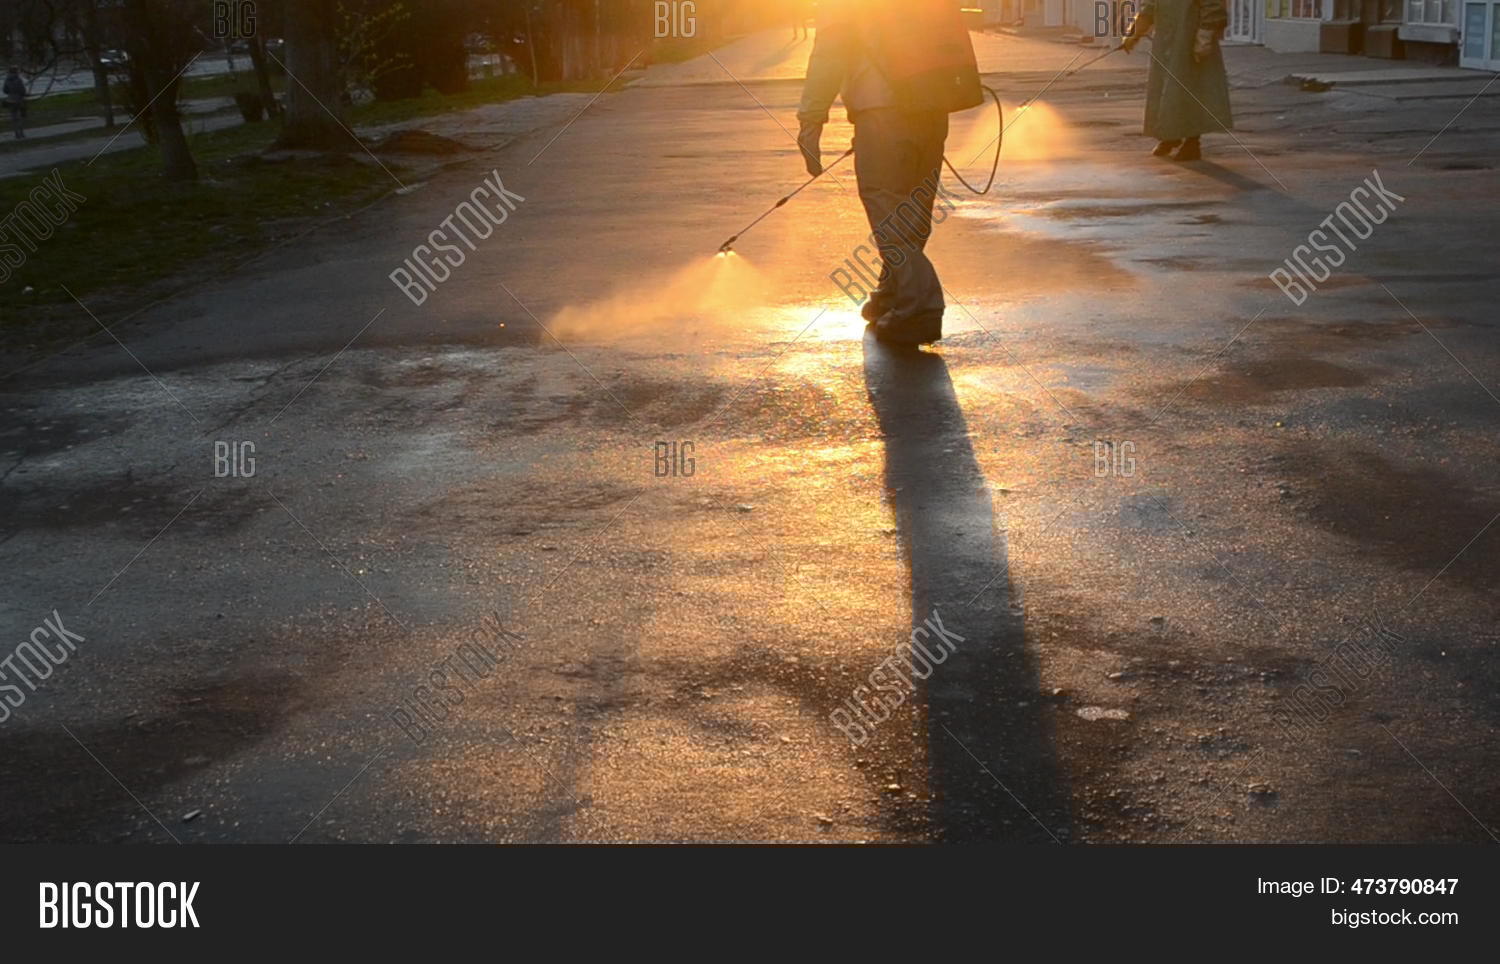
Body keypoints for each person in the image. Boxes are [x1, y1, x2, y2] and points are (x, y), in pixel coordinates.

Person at [797, 0, 980, 345]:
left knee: (885, 199)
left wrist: (811, 118)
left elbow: (830, 50)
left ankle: (919, 306)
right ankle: (892, 292)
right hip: (932, 101)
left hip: (881, 104)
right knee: (913, 205)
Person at [1121, 0, 1232, 161]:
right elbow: (1150, 7)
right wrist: (1134, 34)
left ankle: (1192, 142)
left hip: (1188, 41)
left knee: (1190, 90)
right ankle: (1171, 136)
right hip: (1166, 41)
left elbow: (1212, 6)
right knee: (1166, 91)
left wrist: (1204, 36)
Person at [3, 67, 26, 140]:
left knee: (13, 117)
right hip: (19, 100)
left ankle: (16, 133)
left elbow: (5, 90)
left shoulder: (7, 80)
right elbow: (23, 90)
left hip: (10, 100)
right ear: (16, 72)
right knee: (20, 117)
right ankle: (21, 133)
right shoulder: (19, 80)